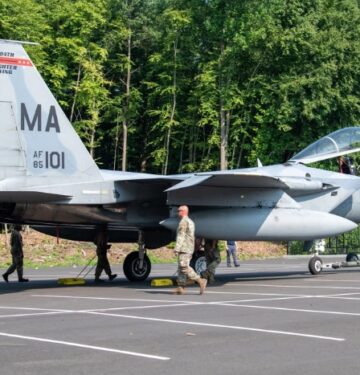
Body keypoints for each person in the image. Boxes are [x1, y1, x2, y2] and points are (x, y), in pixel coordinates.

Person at [173, 205, 207, 295]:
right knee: (181, 268)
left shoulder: (183, 222)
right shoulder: (191, 221)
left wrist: (177, 248)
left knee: (184, 267)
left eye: (179, 211)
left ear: (184, 211)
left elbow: (181, 236)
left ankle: (200, 280)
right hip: (189, 248)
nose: (178, 212)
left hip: (184, 248)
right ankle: (181, 287)